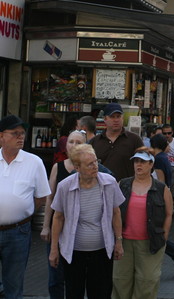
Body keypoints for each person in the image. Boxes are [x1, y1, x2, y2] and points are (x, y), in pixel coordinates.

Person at [49, 143, 124, 298]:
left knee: (100, 293)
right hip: (73, 252)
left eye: (96, 161)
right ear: (77, 167)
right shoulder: (65, 186)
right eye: (90, 164)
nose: (95, 166)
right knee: (73, 292)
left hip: (102, 251)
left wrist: (118, 241)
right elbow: (58, 217)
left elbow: (116, 213)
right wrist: (54, 249)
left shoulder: (109, 182)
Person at [0, 115, 51, 299]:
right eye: (15, 133)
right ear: (1, 137)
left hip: (18, 232)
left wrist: (22, 212)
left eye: (22, 133)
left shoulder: (34, 162)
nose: (20, 137)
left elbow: (41, 197)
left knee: (14, 284)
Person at [113, 148, 173, 299]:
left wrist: (164, 236)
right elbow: (114, 212)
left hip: (151, 243)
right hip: (124, 242)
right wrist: (117, 239)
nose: (138, 165)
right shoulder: (123, 184)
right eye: (136, 161)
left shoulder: (161, 188)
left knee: (147, 282)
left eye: (143, 162)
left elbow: (168, 214)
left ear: (151, 164)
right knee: (121, 281)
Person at [42, 130, 95, 298]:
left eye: (78, 142)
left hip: (80, 231)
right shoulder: (58, 167)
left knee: (76, 277)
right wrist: (45, 226)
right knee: (55, 277)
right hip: (58, 227)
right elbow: (50, 197)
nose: (73, 145)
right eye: (71, 142)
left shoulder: (92, 168)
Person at [149, 134, 174, 272]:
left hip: (157, 199)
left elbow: (160, 181)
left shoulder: (158, 160)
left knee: (154, 232)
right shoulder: (163, 158)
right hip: (163, 198)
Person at [92, 103, 143, 180]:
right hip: (102, 187)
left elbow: (145, 164)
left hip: (126, 189)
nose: (116, 120)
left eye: (118, 116)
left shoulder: (134, 140)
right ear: (105, 119)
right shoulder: (95, 142)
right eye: (112, 117)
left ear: (122, 118)